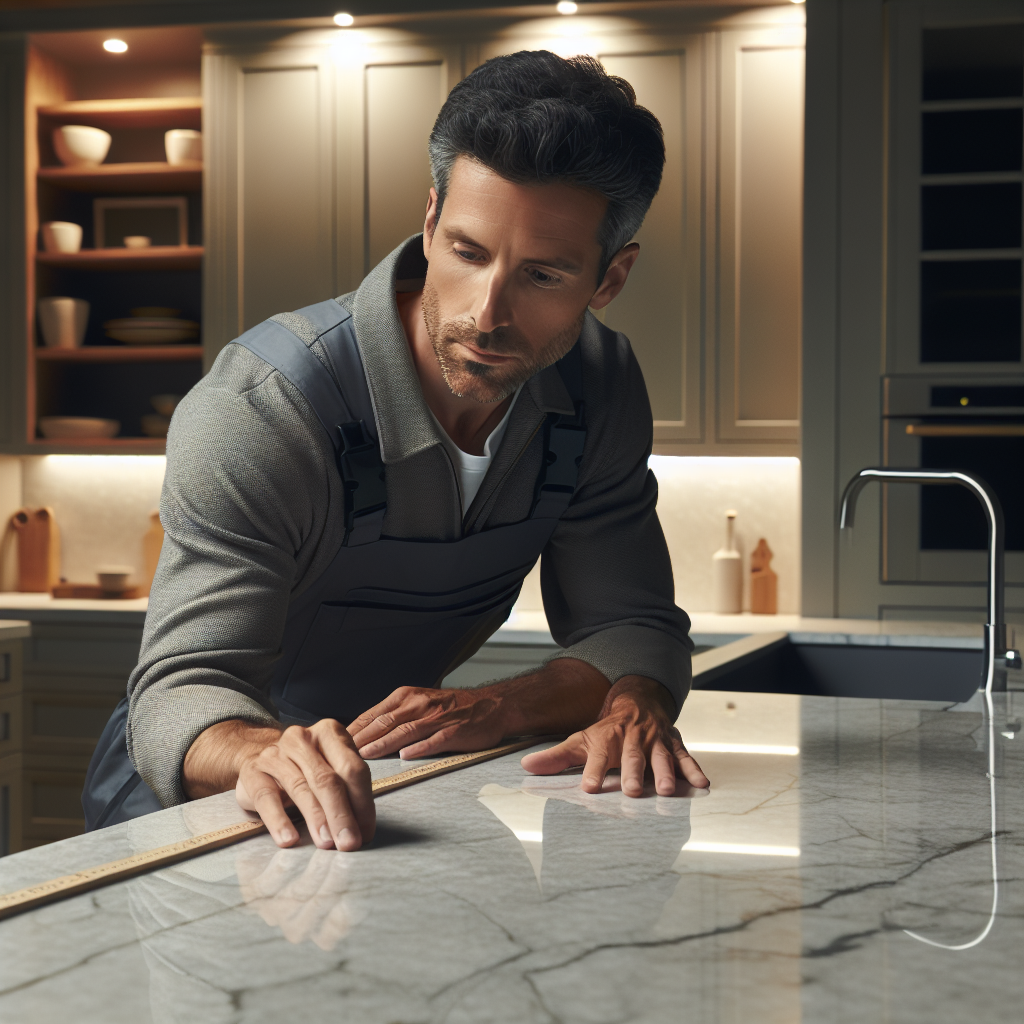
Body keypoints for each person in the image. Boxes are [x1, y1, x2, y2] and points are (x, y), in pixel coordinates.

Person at [82, 49, 709, 850]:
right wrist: (269, 752)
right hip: (199, 805)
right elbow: (178, 689)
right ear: (430, 221)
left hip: (396, 794)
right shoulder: (262, 410)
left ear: (610, 279)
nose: (488, 314)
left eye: (544, 275)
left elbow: (634, 627)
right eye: (468, 252)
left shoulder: (600, 386)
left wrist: (567, 704)